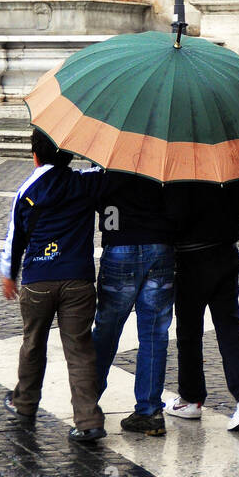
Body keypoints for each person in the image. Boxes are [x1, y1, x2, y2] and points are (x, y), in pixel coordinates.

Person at [0, 128, 107, 443]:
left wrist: (9, 274)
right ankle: (88, 421)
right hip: (78, 280)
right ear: (70, 154)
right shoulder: (86, 182)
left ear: (35, 155)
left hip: (38, 280)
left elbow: (14, 238)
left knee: (33, 343)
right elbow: (108, 171)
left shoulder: (27, 189)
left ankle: (25, 403)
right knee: (80, 350)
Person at [163, 180, 239, 432]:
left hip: (190, 258)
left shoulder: (179, 167)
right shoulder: (229, 160)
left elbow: (174, 215)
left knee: (189, 332)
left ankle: (191, 397)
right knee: (230, 325)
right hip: (225, 252)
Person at [91, 174, 176, 439]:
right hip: (160, 246)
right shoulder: (166, 159)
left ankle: (87, 404)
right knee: (154, 334)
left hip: (119, 246)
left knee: (107, 330)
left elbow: (95, 197)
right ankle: (149, 411)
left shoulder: (109, 159)